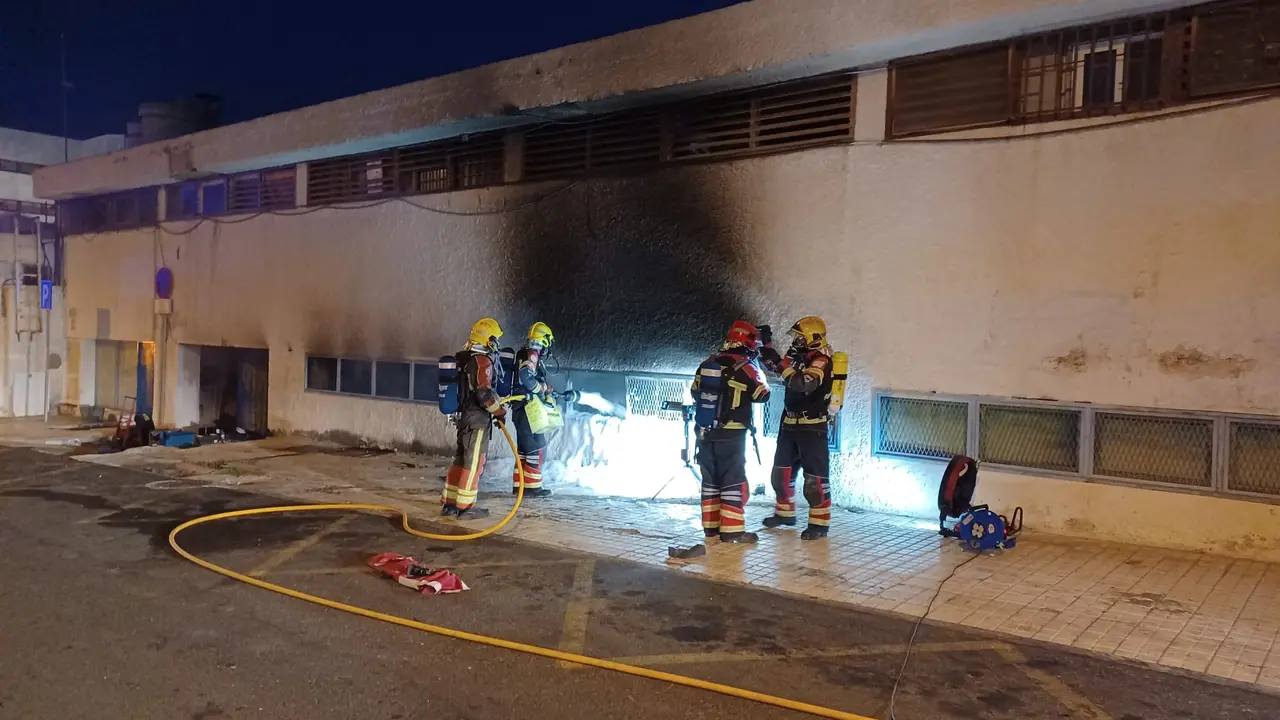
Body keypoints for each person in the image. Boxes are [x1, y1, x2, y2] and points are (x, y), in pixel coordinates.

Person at [692, 321, 771, 544]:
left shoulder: (708, 363)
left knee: (710, 481)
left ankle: (711, 529)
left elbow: (694, 392)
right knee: (732, 481)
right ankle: (732, 531)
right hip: (732, 434)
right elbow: (763, 395)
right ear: (748, 342)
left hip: (705, 432)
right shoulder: (746, 367)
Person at [759, 316, 835, 540]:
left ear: (813, 338)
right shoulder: (798, 357)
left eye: (800, 337)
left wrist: (783, 364)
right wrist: (766, 347)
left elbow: (803, 383)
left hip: (812, 427)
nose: (797, 341)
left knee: (815, 481)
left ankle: (819, 525)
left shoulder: (822, 360)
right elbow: (779, 369)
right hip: (789, 424)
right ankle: (784, 515)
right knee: (780, 475)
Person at [441, 317, 506, 519]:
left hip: (464, 419)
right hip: (477, 420)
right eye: (495, 339)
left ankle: (450, 504)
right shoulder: (482, 361)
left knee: (461, 459)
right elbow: (484, 394)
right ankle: (465, 506)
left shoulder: (465, 358)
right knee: (474, 462)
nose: (497, 344)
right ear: (489, 340)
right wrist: (499, 412)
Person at [510, 321, 558, 498]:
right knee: (536, 448)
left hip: (519, 408)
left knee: (523, 450)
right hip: (528, 409)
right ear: (544, 340)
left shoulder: (523, 353)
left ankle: (520, 487)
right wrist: (541, 389)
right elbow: (526, 377)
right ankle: (533, 489)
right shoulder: (532, 354)